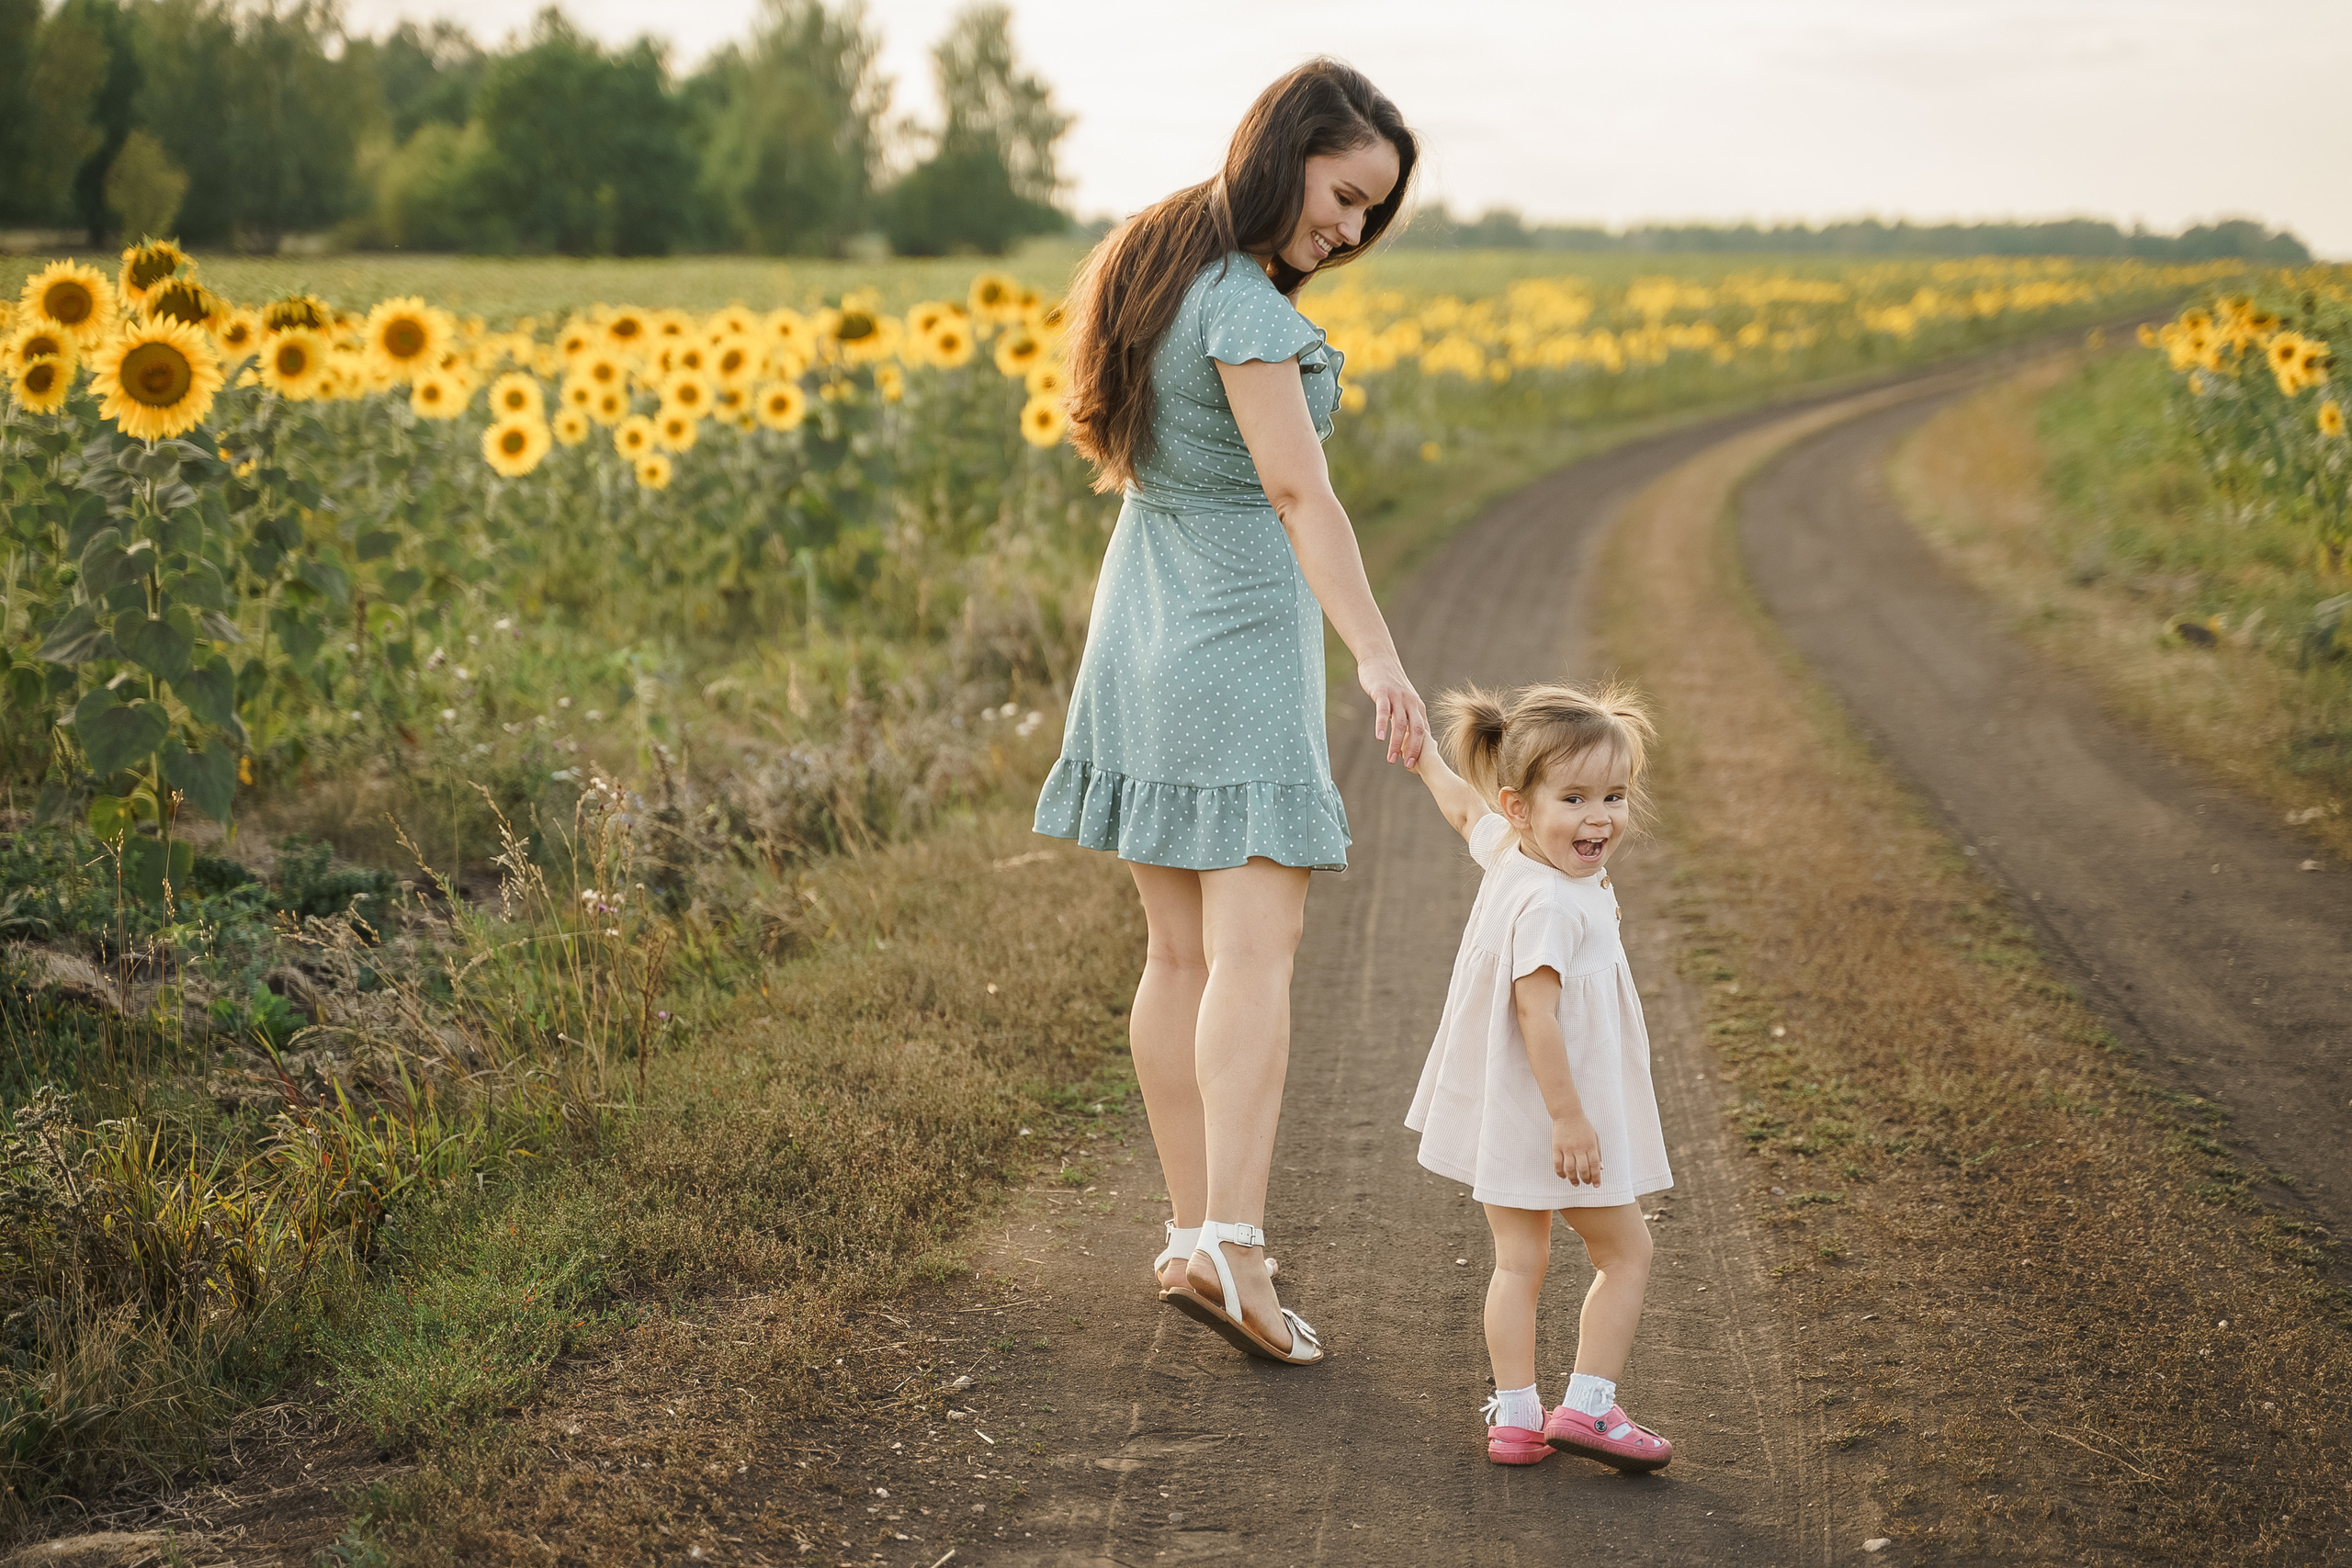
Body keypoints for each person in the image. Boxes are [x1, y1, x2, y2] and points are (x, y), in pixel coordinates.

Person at [1033, 60, 1424, 1365]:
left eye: (1374, 215)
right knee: (1252, 951)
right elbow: (1303, 499)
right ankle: (1240, 1255)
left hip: (1141, 629)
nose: (1354, 232)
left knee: (1181, 956)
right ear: (1290, 150)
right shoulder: (1247, 306)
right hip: (1232, 645)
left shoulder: (1160, 263)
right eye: (1345, 194)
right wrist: (1378, 656)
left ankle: (1196, 1228)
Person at [1404, 682, 1678, 1468]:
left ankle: (1518, 1418)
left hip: (1507, 1115)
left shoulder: (1510, 853)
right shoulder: (1555, 902)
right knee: (1626, 1254)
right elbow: (1538, 1015)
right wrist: (1570, 1118)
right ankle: (1590, 1407)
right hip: (1563, 1117)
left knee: (1519, 1263)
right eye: (1576, 798)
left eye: (1615, 796)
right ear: (1522, 806)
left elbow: (1464, 811)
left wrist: (1423, 754)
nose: (1601, 818)